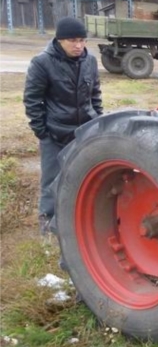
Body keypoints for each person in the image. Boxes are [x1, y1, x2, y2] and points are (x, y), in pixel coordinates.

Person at [23, 16, 103, 236]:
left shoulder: (90, 61)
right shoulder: (42, 63)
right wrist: (42, 132)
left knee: (84, 177)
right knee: (52, 182)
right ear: (59, 40)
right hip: (55, 133)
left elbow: (94, 94)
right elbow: (32, 100)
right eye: (72, 41)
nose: (78, 45)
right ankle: (48, 228)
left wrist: (97, 119)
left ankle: (79, 222)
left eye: (82, 40)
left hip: (84, 132)